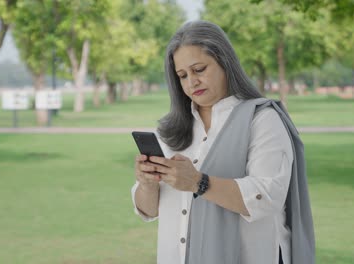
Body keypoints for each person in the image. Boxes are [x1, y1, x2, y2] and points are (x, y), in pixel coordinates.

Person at [131, 20, 315, 264]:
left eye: (199, 69)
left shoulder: (262, 120)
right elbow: (150, 210)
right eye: (182, 75)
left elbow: (267, 197)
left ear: (225, 62)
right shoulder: (171, 131)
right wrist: (147, 184)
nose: (191, 82)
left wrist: (199, 182)